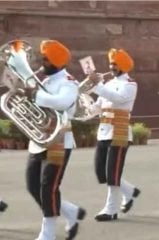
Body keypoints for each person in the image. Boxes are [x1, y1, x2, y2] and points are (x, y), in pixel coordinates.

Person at [24, 40, 85, 240]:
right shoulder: (46, 80)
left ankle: (47, 233)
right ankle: (70, 212)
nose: (41, 63)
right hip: (40, 139)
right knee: (33, 186)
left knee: (48, 186)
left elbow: (63, 102)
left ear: (57, 62)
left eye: (45, 60)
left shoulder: (69, 82)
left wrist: (36, 95)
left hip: (59, 140)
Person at [88, 48, 140, 221]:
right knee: (101, 172)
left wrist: (96, 85)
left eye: (115, 64)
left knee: (112, 172)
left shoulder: (130, 84)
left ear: (124, 65)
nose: (112, 67)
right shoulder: (107, 84)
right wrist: (82, 108)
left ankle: (111, 209)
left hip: (120, 132)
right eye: (111, 64)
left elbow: (117, 98)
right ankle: (130, 192)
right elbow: (98, 106)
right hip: (104, 131)